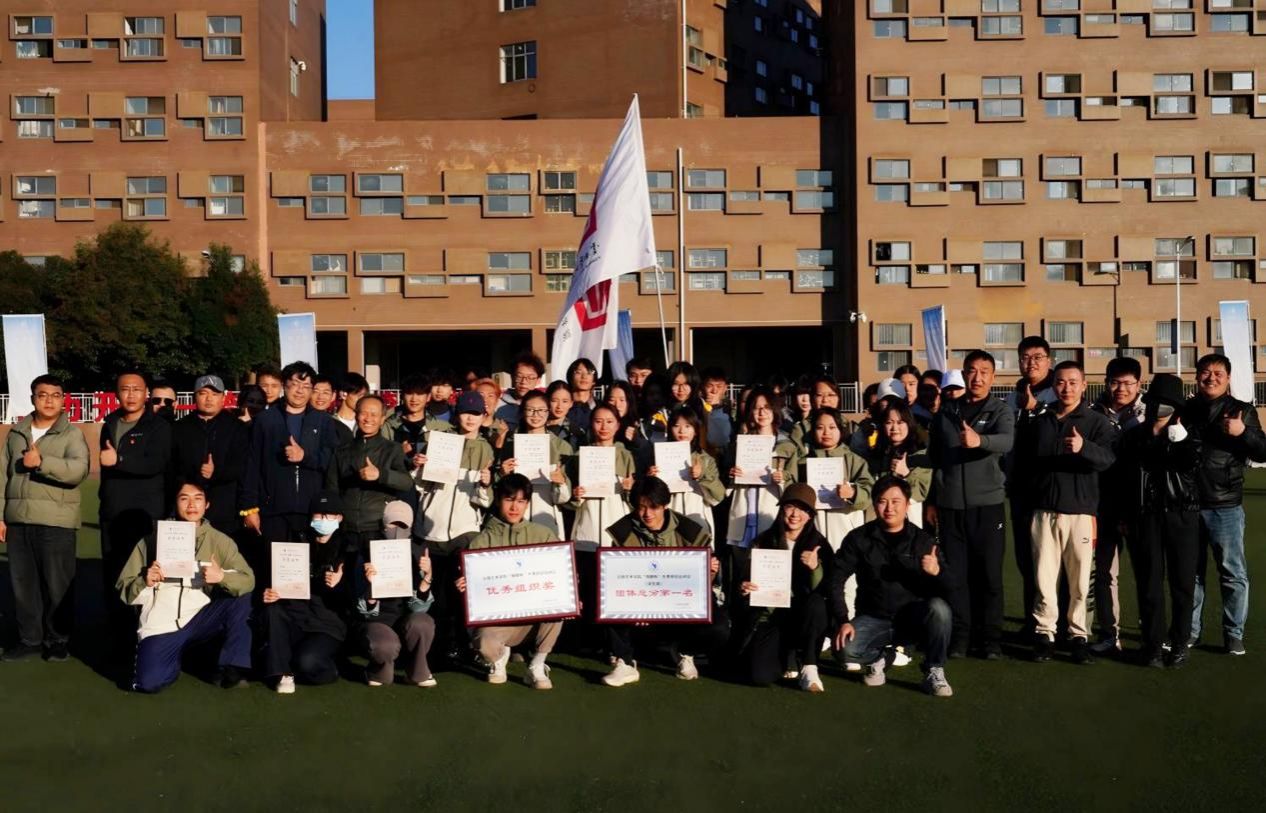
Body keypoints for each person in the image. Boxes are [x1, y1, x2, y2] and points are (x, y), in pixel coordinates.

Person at [1017, 360, 1116, 664]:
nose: (1066, 388)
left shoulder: (1096, 422)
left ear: (1084, 385)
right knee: (1044, 579)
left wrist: (1084, 447)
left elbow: (1108, 459)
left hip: (1080, 513)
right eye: (1060, 382)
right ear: (1053, 385)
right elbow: (1024, 463)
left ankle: (1078, 636)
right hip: (1044, 512)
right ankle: (1044, 634)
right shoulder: (1041, 422)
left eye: (1073, 382)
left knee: (1080, 580)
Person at [117, 480, 255, 693]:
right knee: (148, 683)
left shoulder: (220, 541)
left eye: (198, 499)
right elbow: (124, 587)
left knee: (241, 597)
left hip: (201, 617)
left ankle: (231, 667)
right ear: (175, 502)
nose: (191, 505)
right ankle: (176, 661)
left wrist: (221, 577)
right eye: (184, 498)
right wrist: (145, 580)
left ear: (207, 504)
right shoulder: (151, 540)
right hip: (162, 624)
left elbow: (248, 580)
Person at [832, 476, 953, 697]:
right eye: (882, 501)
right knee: (844, 649)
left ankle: (934, 669)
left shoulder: (923, 541)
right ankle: (881, 657)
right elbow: (835, 578)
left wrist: (937, 573)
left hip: (911, 619)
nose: (889, 508)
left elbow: (952, 588)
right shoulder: (858, 538)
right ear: (874, 504)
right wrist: (843, 619)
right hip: (872, 617)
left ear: (907, 505)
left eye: (896, 501)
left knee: (940, 610)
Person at [602, 477, 729, 686]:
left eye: (654, 507)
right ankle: (625, 662)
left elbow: (705, 584)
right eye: (641, 507)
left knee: (719, 627)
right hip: (641, 600)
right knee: (608, 600)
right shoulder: (623, 531)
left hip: (680, 602)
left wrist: (710, 572)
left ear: (665, 505)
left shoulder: (690, 531)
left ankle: (685, 651)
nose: (647, 513)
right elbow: (619, 578)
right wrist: (636, 606)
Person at [927, 351, 1013, 659]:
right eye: (972, 371)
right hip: (950, 507)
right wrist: (932, 499)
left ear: (993, 376)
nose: (977, 377)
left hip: (987, 507)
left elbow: (1007, 441)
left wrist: (981, 441)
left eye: (984, 371)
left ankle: (990, 640)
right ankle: (960, 638)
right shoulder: (946, 412)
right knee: (956, 577)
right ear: (964, 375)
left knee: (989, 576)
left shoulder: (1000, 410)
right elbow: (935, 458)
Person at [0, 375, 90, 662]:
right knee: (23, 585)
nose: (49, 400)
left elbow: (78, 471)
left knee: (57, 585)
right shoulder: (16, 433)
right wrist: (1, 516)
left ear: (63, 400)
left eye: (55, 395)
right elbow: (3, 476)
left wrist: (42, 463)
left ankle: (58, 640)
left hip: (56, 522)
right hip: (17, 521)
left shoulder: (72, 434)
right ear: (32, 399)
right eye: (42, 395)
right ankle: (30, 640)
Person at [1183, 353, 1266, 655]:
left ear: (1228, 378)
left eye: (1218, 373)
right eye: (1205, 372)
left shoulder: (1242, 411)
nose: (1211, 377)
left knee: (1232, 573)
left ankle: (1233, 634)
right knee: (1191, 574)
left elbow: (1263, 452)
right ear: (1197, 377)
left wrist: (1243, 433)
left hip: (1225, 505)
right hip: (1188, 503)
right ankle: (1190, 632)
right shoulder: (1186, 410)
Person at [1119, 374, 1202, 669]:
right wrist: (1124, 516)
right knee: (1149, 583)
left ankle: (1179, 644)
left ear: (1176, 407)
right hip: (1145, 517)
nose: (1158, 408)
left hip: (1182, 515)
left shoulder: (1188, 435)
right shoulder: (1133, 436)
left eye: (1166, 404)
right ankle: (1153, 645)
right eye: (1155, 402)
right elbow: (1123, 479)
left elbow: (1191, 464)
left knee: (1183, 584)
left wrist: (1179, 440)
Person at [458, 474, 564, 689]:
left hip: (534, 618)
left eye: (521, 501)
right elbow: (475, 589)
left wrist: (569, 586)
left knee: (560, 604)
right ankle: (498, 659)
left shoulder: (543, 535)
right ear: (498, 500)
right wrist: (466, 586)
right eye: (509, 500)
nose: (515, 507)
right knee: (483, 641)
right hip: (498, 621)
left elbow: (559, 575)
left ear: (527, 504)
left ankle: (537, 665)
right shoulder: (482, 541)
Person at [413, 390, 494, 658]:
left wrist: (485, 484)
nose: (470, 418)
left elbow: (485, 501)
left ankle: (464, 643)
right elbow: (421, 486)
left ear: (483, 416)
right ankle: (437, 645)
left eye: (476, 413)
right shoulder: (439, 440)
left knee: (462, 590)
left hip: (465, 529)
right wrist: (419, 467)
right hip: (431, 528)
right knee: (436, 590)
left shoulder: (485, 448)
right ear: (456, 414)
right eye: (465, 412)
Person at [736, 483, 833, 692]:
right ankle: (787, 654)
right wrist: (745, 588)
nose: (795, 514)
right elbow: (744, 580)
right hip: (771, 617)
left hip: (803, 616)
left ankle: (809, 664)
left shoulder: (819, 544)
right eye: (790, 507)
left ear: (810, 515)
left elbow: (827, 589)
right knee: (760, 676)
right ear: (781, 510)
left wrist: (815, 568)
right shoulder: (763, 541)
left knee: (817, 604)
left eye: (803, 509)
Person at [99, 371, 173, 642]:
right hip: (112, 512)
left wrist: (119, 460)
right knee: (114, 573)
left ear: (146, 393)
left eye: (136, 389)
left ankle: (146, 636)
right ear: (117, 393)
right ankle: (117, 635)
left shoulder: (159, 426)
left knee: (145, 574)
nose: (130, 395)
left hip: (145, 513)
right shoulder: (110, 422)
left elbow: (156, 463)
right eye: (125, 389)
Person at [260, 491, 354, 694]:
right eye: (319, 514)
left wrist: (338, 584)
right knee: (273, 611)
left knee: (308, 662)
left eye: (329, 515)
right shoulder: (296, 542)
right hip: (295, 616)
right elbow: (279, 579)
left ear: (339, 518)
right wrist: (271, 592)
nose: (323, 519)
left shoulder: (348, 550)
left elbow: (352, 600)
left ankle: (331, 669)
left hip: (326, 625)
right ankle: (283, 673)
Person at [240, 361, 343, 545]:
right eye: (295, 384)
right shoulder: (265, 420)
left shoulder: (323, 421)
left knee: (308, 560)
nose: (300, 391)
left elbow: (332, 460)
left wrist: (305, 457)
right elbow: (252, 465)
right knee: (275, 560)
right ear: (284, 385)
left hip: (311, 509)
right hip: (272, 509)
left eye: (306, 386)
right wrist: (250, 507)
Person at [1087, 357, 1147, 654]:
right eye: (1115, 382)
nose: (1121, 389)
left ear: (1139, 383)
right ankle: (1110, 634)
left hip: (1140, 505)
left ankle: (1150, 634)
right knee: (1105, 572)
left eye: (1127, 383)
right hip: (1103, 503)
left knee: (1146, 572)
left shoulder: (1150, 413)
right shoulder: (1092, 412)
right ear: (1106, 382)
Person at [1006, 337, 1059, 636]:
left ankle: (1058, 625)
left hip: (1051, 491)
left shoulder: (1058, 390)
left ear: (1049, 360)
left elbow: (1059, 428)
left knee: (1051, 562)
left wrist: (1036, 407)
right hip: (1020, 490)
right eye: (1025, 357)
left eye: (1038, 357)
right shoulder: (1013, 396)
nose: (1032, 362)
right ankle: (1033, 620)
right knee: (1026, 559)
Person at [358, 502, 436, 687]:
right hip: (379, 620)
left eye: (403, 525)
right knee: (384, 646)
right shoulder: (368, 550)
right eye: (393, 524)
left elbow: (420, 608)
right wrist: (371, 587)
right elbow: (363, 612)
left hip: (406, 616)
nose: (397, 530)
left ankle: (417, 671)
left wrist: (426, 578)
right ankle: (378, 670)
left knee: (422, 623)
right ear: (383, 524)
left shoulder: (419, 551)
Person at [325, 394, 413, 548]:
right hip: (346, 529)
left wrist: (381, 475)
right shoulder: (341, 451)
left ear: (382, 419)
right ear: (356, 415)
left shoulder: (393, 449)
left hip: (379, 528)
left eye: (374, 415)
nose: (368, 419)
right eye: (364, 413)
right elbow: (331, 488)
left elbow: (406, 482)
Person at [169, 375, 248, 536]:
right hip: (188, 509)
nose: (209, 398)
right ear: (194, 397)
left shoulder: (237, 428)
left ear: (223, 397)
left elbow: (243, 466)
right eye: (203, 393)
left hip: (225, 510)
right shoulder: (179, 428)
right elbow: (171, 467)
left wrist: (216, 473)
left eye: (215, 394)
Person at [497, 391, 572, 537]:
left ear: (548, 412)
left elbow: (564, 499)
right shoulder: (511, 445)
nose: (535, 415)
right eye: (530, 410)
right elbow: (500, 492)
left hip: (547, 518)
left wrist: (561, 483)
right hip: (515, 518)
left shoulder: (561, 447)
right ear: (522, 412)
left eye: (541, 410)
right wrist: (503, 475)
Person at [647, 406, 725, 539]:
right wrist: (651, 479)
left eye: (688, 426)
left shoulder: (705, 459)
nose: (682, 431)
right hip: (667, 516)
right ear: (670, 429)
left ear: (696, 431)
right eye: (676, 426)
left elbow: (718, 497)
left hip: (696, 516)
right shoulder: (659, 457)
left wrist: (702, 476)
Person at [567, 404, 636, 550]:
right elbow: (566, 497)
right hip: (587, 526)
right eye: (598, 421)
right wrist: (575, 495)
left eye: (609, 422)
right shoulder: (579, 456)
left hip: (617, 524)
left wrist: (629, 489)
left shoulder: (626, 456)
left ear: (618, 425)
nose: (604, 427)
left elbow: (633, 500)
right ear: (591, 423)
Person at [865, 399, 931, 528]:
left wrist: (906, 474)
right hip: (877, 518)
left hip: (907, 520)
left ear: (909, 424)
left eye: (900, 422)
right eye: (889, 422)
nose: (894, 428)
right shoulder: (875, 454)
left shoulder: (920, 454)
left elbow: (921, 492)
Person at [494, 352, 545, 431]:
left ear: (538, 380)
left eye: (530, 377)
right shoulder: (496, 405)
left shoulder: (544, 405)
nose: (523, 382)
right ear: (512, 377)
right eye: (519, 376)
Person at [545, 380, 585, 451]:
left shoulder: (576, 432)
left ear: (571, 403)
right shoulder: (536, 426)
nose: (559, 406)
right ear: (547, 401)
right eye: (554, 401)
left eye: (565, 401)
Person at [471, 377, 510, 449]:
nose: (485, 399)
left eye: (490, 396)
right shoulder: (466, 424)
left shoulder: (502, 429)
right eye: (481, 395)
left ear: (497, 401)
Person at [701, 367, 733, 451]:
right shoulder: (697, 406)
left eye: (719, 386)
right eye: (709, 386)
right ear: (702, 387)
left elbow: (721, 439)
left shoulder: (730, 409)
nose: (714, 391)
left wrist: (716, 407)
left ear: (725, 388)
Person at [565, 357, 599, 428]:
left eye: (589, 373)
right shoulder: (562, 406)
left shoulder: (600, 407)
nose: (584, 377)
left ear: (594, 380)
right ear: (571, 377)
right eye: (578, 372)